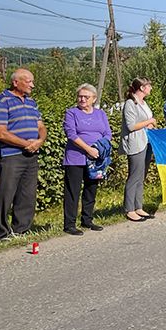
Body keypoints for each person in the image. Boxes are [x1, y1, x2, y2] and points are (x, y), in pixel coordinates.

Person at [0, 68, 46, 240]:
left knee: (27, 194)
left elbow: (41, 126)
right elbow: (0, 133)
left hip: (31, 154)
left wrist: (40, 141)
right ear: (16, 82)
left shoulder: (31, 102)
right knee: (6, 194)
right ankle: (2, 232)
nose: (32, 85)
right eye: (29, 81)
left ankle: (21, 230)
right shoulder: (1, 101)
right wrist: (26, 144)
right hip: (10, 155)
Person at [61, 83, 109, 236]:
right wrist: (88, 149)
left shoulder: (100, 114)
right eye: (80, 96)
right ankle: (69, 224)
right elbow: (72, 135)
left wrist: (98, 149)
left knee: (91, 189)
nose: (82, 99)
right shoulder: (71, 113)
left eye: (86, 97)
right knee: (72, 191)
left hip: (95, 159)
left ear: (93, 99)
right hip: (76, 158)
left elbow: (107, 133)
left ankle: (87, 219)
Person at [121, 78, 156, 222]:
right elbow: (131, 126)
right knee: (134, 176)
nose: (151, 88)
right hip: (135, 143)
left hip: (146, 141)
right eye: (149, 86)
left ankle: (138, 206)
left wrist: (150, 125)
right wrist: (149, 122)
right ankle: (129, 209)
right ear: (142, 88)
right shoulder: (130, 104)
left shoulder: (143, 103)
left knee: (141, 176)